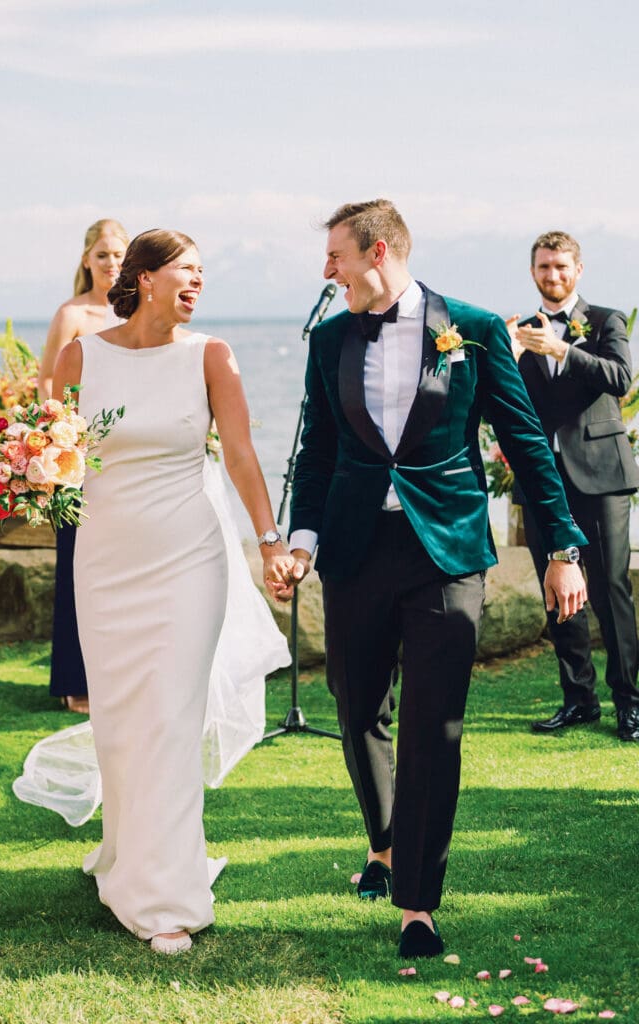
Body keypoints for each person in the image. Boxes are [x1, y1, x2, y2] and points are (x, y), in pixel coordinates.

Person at [283, 199, 588, 958]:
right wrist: (301, 540)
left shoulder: (477, 331)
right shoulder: (327, 341)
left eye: (336, 258)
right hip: (355, 550)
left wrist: (562, 549)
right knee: (356, 710)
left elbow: (526, 445)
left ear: (377, 251)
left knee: (435, 725)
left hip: (446, 553)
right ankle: (384, 840)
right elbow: (318, 450)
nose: (327, 272)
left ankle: (416, 900)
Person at [52, 228, 294, 954]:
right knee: (123, 719)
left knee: (171, 716)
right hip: (105, 560)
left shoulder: (210, 355)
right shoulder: (80, 355)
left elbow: (243, 453)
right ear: (145, 278)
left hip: (190, 558)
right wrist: (19, 470)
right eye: (185, 273)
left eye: (202, 274)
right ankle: (125, 856)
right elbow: (48, 446)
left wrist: (270, 540)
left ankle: (166, 896)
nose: (197, 285)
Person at [509, 231, 639, 741]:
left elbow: (620, 377)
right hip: (545, 481)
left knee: (610, 588)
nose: (553, 276)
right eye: (544, 267)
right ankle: (579, 700)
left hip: (602, 476)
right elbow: (507, 400)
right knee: (557, 590)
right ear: (533, 271)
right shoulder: (519, 330)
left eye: (561, 267)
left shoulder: (607, 320)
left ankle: (629, 702)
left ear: (578, 270)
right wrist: (510, 352)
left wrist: (562, 348)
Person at [38, 219, 129, 714]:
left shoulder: (139, 313)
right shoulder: (71, 314)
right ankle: (75, 681)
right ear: (86, 260)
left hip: (130, 458)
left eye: (119, 254)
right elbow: (47, 380)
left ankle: (120, 676)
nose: (111, 263)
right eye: (102, 255)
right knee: (77, 567)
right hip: (78, 459)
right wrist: (62, 443)